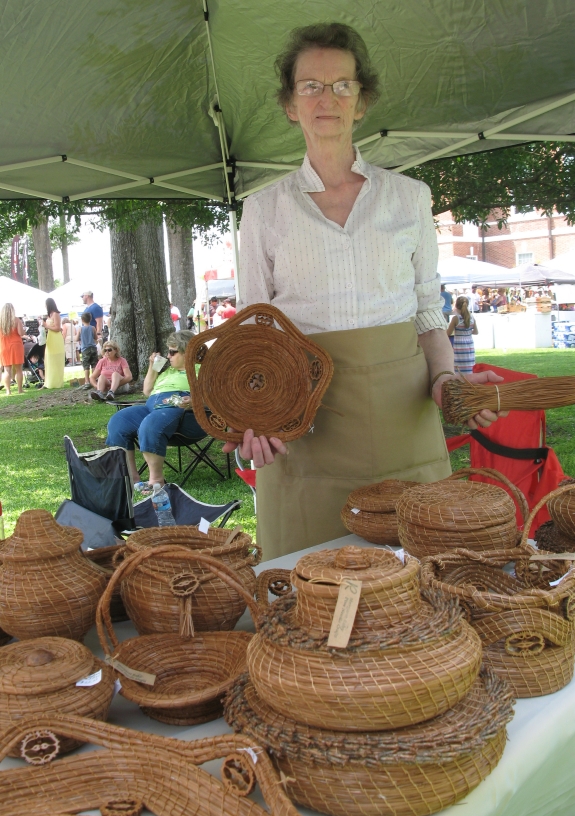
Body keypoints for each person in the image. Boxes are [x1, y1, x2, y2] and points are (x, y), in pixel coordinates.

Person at [223, 22, 505, 560]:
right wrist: (255, 414)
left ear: (361, 101)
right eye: (310, 86)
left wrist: (448, 383)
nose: (325, 98)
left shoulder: (409, 198)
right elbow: (254, 330)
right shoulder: (263, 209)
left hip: (406, 421)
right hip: (307, 425)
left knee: (419, 589)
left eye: (341, 85)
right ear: (289, 103)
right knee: (310, 594)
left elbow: (426, 314)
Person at [106, 330, 204, 490]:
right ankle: (130, 478)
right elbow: (147, 390)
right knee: (118, 421)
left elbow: (216, 398)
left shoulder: (201, 370)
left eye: (173, 352)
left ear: (187, 352)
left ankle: (156, 481)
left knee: (151, 424)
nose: (169, 355)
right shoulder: (168, 371)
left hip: (181, 409)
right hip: (152, 406)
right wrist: (153, 366)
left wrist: (195, 401)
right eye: (168, 351)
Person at [446, 296, 478, 374]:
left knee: (458, 365)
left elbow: (448, 333)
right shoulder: (471, 318)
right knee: (469, 364)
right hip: (469, 343)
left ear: (456, 305)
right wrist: (467, 333)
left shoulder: (455, 318)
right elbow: (476, 332)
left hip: (459, 344)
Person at [0, 303, 24, 395]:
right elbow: (21, 333)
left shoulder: (1, 322)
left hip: (4, 346)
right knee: (18, 369)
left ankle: (8, 391)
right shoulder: (16, 320)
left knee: (7, 369)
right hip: (16, 345)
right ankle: (19, 389)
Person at [43, 298, 65, 389]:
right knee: (49, 360)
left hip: (56, 338)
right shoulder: (49, 315)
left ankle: (56, 382)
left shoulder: (56, 314)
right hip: (50, 338)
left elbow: (57, 328)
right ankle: (48, 382)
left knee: (55, 360)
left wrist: (46, 326)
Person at [78, 312, 99, 390]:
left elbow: (77, 338)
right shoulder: (93, 328)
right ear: (90, 319)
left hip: (85, 349)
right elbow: (96, 337)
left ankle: (87, 381)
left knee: (86, 366)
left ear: (82, 319)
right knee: (94, 364)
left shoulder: (81, 328)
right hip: (93, 348)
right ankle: (94, 379)